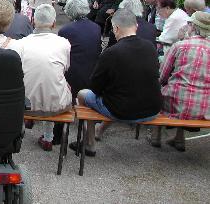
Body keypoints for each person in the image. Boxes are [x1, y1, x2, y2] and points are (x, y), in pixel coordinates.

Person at [69, 9, 162, 156]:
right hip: (152, 109)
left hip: (122, 110)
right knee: (118, 95)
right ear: (136, 26)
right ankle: (99, 132)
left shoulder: (111, 52)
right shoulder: (150, 47)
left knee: (83, 94)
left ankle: (89, 143)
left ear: (116, 28)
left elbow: (95, 87)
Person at [15, 4, 72, 151]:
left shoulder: (21, 44)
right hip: (56, 105)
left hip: (25, 104)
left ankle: (21, 129)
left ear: (33, 20)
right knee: (55, 83)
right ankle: (48, 138)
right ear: (53, 24)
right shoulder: (63, 43)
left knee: (26, 81)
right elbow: (65, 69)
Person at [152, 11, 210, 151]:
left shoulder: (180, 46)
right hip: (205, 107)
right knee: (188, 91)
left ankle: (156, 134)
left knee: (164, 91)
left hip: (178, 104)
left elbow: (162, 76)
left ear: (192, 26)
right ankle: (179, 138)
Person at [58, 0, 101, 97]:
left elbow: (61, 55)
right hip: (92, 72)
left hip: (73, 76)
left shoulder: (65, 30)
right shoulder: (96, 27)